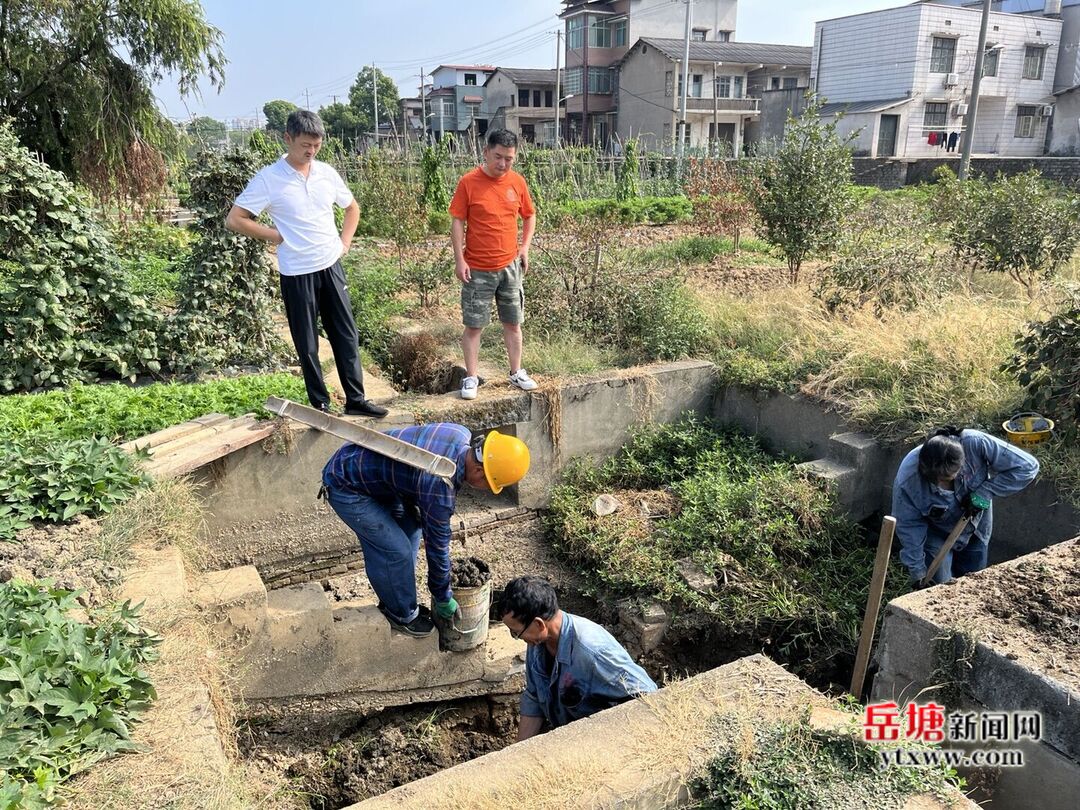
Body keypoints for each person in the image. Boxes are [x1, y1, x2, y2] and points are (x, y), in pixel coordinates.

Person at [226, 109, 386, 418]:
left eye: (316, 145)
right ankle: (320, 404)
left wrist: (345, 242)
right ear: (288, 139)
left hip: (330, 264)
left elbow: (352, 208)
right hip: (297, 271)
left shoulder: (326, 173)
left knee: (346, 334)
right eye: (304, 145)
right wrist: (275, 236)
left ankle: (356, 400)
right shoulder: (269, 178)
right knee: (307, 341)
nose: (311, 151)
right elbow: (236, 219)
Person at [322, 424, 530, 636]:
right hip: (346, 484)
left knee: (412, 530)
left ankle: (395, 596)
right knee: (395, 551)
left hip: (374, 473)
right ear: (479, 471)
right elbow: (437, 547)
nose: (488, 491)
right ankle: (401, 615)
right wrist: (442, 597)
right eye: (490, 485)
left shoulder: (460, 433)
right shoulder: (440, 487)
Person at [497, 576, 657, 741]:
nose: (517, 637)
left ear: (539, 624)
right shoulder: (537, 644)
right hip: (568, 737)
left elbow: (648, 696)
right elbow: (535, 697)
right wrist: (520, 752)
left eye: (516, 632)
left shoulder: (593, 652)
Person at [449, 129, 538, 400]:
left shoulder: (517, 183)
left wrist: (524, 247)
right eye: (498, 157)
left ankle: (516, 372)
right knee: (474, 326)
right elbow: (457, 221)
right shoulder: (469, 183)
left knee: (513, 323)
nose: (502, 164)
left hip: (510, 267)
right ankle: (471, 377)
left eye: (509, 159)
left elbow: (529, 216)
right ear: (486, 152)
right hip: (477, 269)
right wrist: (459, 259)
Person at [892, 426, 1039, 588]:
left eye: (948, 479)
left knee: (972, 584)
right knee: (940, 588)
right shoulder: (908, 480)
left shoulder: (976, 443)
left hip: (975, 526)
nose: (942, 485)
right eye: (937, 480)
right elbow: (909, 526)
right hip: (935, 533)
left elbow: (1028, 466)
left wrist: (985, 492)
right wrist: (918, 572)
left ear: (962, 465)